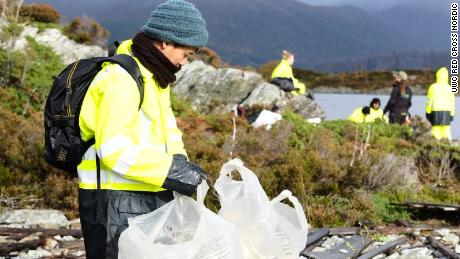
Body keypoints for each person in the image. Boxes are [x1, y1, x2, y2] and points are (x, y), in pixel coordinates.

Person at [77, 1, 208, 258]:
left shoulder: (155, 79)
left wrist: (181, 162)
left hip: (147, 190)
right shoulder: (121, 79)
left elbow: (168, 131)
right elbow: (112, 149)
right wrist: (172, 171)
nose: (185, 62)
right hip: (112, 200)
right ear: (165, 43)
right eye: (186, 53)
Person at [426, 67, 455, 141]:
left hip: (436, 111)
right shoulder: (450, 88)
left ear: (437, 75)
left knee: (436, 131)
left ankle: (436, 147)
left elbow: (429, 101)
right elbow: (452, 102)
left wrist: (428, 112)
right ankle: (449, 147)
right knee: (446, 131)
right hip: (447, 112)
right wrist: (452, 114)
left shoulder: (433, 87)